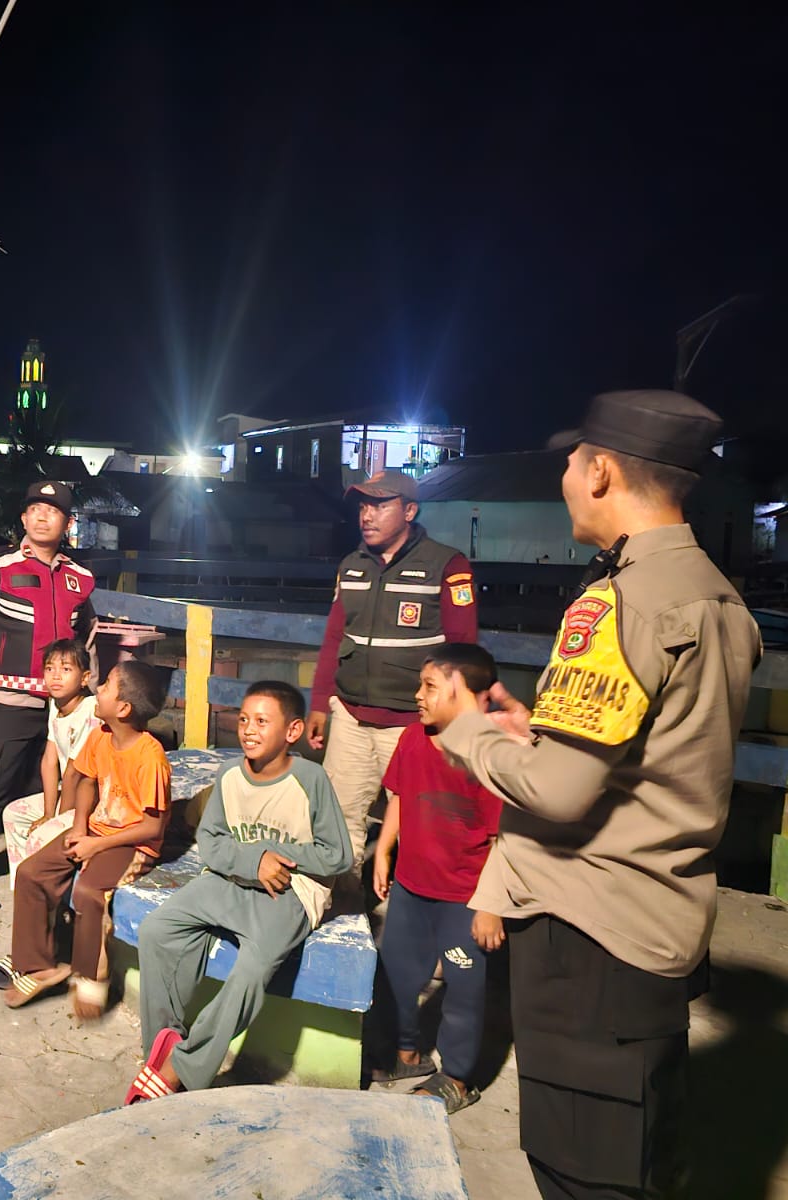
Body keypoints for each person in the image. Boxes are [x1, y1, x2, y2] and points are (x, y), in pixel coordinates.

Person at [439, 390, 762, 1199]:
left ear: (602, 472)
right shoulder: (715, 594)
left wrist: (466, 730)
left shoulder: (621, 601)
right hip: (658, 926)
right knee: (640, 1160)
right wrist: (535, 732)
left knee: (581, 1171)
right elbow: (656, 750)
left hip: (590, 937)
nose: (565, 480)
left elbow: (558, 792)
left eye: (572, 463)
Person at [126, 682, 350, 1103]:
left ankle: (181, 1068)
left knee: (252, 970)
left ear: (293, 731)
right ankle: (162, 1045)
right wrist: (252, 860)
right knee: (158, 930)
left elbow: (337, 855)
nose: (248, 729)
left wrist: (274, 857)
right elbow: (211, 842)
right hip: (230, 878)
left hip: (289, 891)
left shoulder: (310, 779)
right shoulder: (230, 775)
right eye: (244, 719)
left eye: (262, 721)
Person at [305, 469, 479, 872]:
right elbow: (334, 639)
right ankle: (342, 902)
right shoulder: (351, 566)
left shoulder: (447, 566)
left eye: (380, 505)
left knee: (418, 828)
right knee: (336, 824)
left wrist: (454, 722)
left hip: (412, 726)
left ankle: (399, 906)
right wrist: (319, 703)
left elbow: (463, 649)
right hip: (350, 719)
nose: (367, 515)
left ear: (409, 511)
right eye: (363, 506)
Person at [0, 480, 96, 912]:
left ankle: (40, 869)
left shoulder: (81, 579)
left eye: (52, 511)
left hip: (63, 709)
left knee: (49, 788)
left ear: (67, 523)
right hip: (8, 701)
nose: (41, 517)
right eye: (34, 510)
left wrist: (92, 701)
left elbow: (88, 642)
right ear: (23, 518)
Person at [370, 644, 505, 1114]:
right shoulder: (413, 738)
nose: (418, 695)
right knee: (398, 974)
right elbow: (400, 797)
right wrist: (384, 850)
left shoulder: (489, 755)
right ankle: (407, 1054)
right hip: (411, 888)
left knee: (463, 992)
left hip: (465, 899)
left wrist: (491, 906)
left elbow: (501, 840)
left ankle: (458, 1078)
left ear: (463, 693)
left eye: (429, 687)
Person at [5, 660, 170, 1021]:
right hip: (95, 829)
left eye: (107, 685)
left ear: (123, 709)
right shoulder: (100, 737)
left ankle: (90, 976)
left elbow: (152, 828)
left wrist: (97, 846)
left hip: (132, 842)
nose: (98, 688)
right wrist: (80, 826)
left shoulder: (150, 757)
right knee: (32, 873)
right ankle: (39, 966)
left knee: (88, 892)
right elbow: (86, 782)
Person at [0, 638, 101, 991]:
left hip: (89, 805)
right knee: (15, 813)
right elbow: (51, 760)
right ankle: (28, 902)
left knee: (40, 836)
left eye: (66, 669)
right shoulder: (56, 705)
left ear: (85, 677)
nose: (55, 676)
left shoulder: (90, 711)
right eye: (49, 669)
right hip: (66, 798)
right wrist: (48, 811)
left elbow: (78, 773)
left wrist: (57, 818)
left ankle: (38, 937)